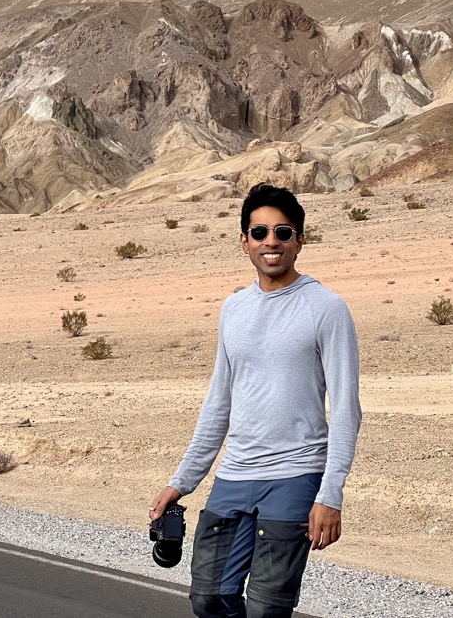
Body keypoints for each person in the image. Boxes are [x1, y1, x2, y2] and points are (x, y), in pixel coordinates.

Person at [149, 183, 362, 618]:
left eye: (283, 233)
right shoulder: (233, 309)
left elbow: (345, 410)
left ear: (300, 241)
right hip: (235, 475)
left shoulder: (326, 308)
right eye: (260, 232)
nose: (271, 242)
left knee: (267, 610)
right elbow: (218, 404)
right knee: (208, 598)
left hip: (296, 475)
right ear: (244, 240)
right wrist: (182, 481)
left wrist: (331, 494)